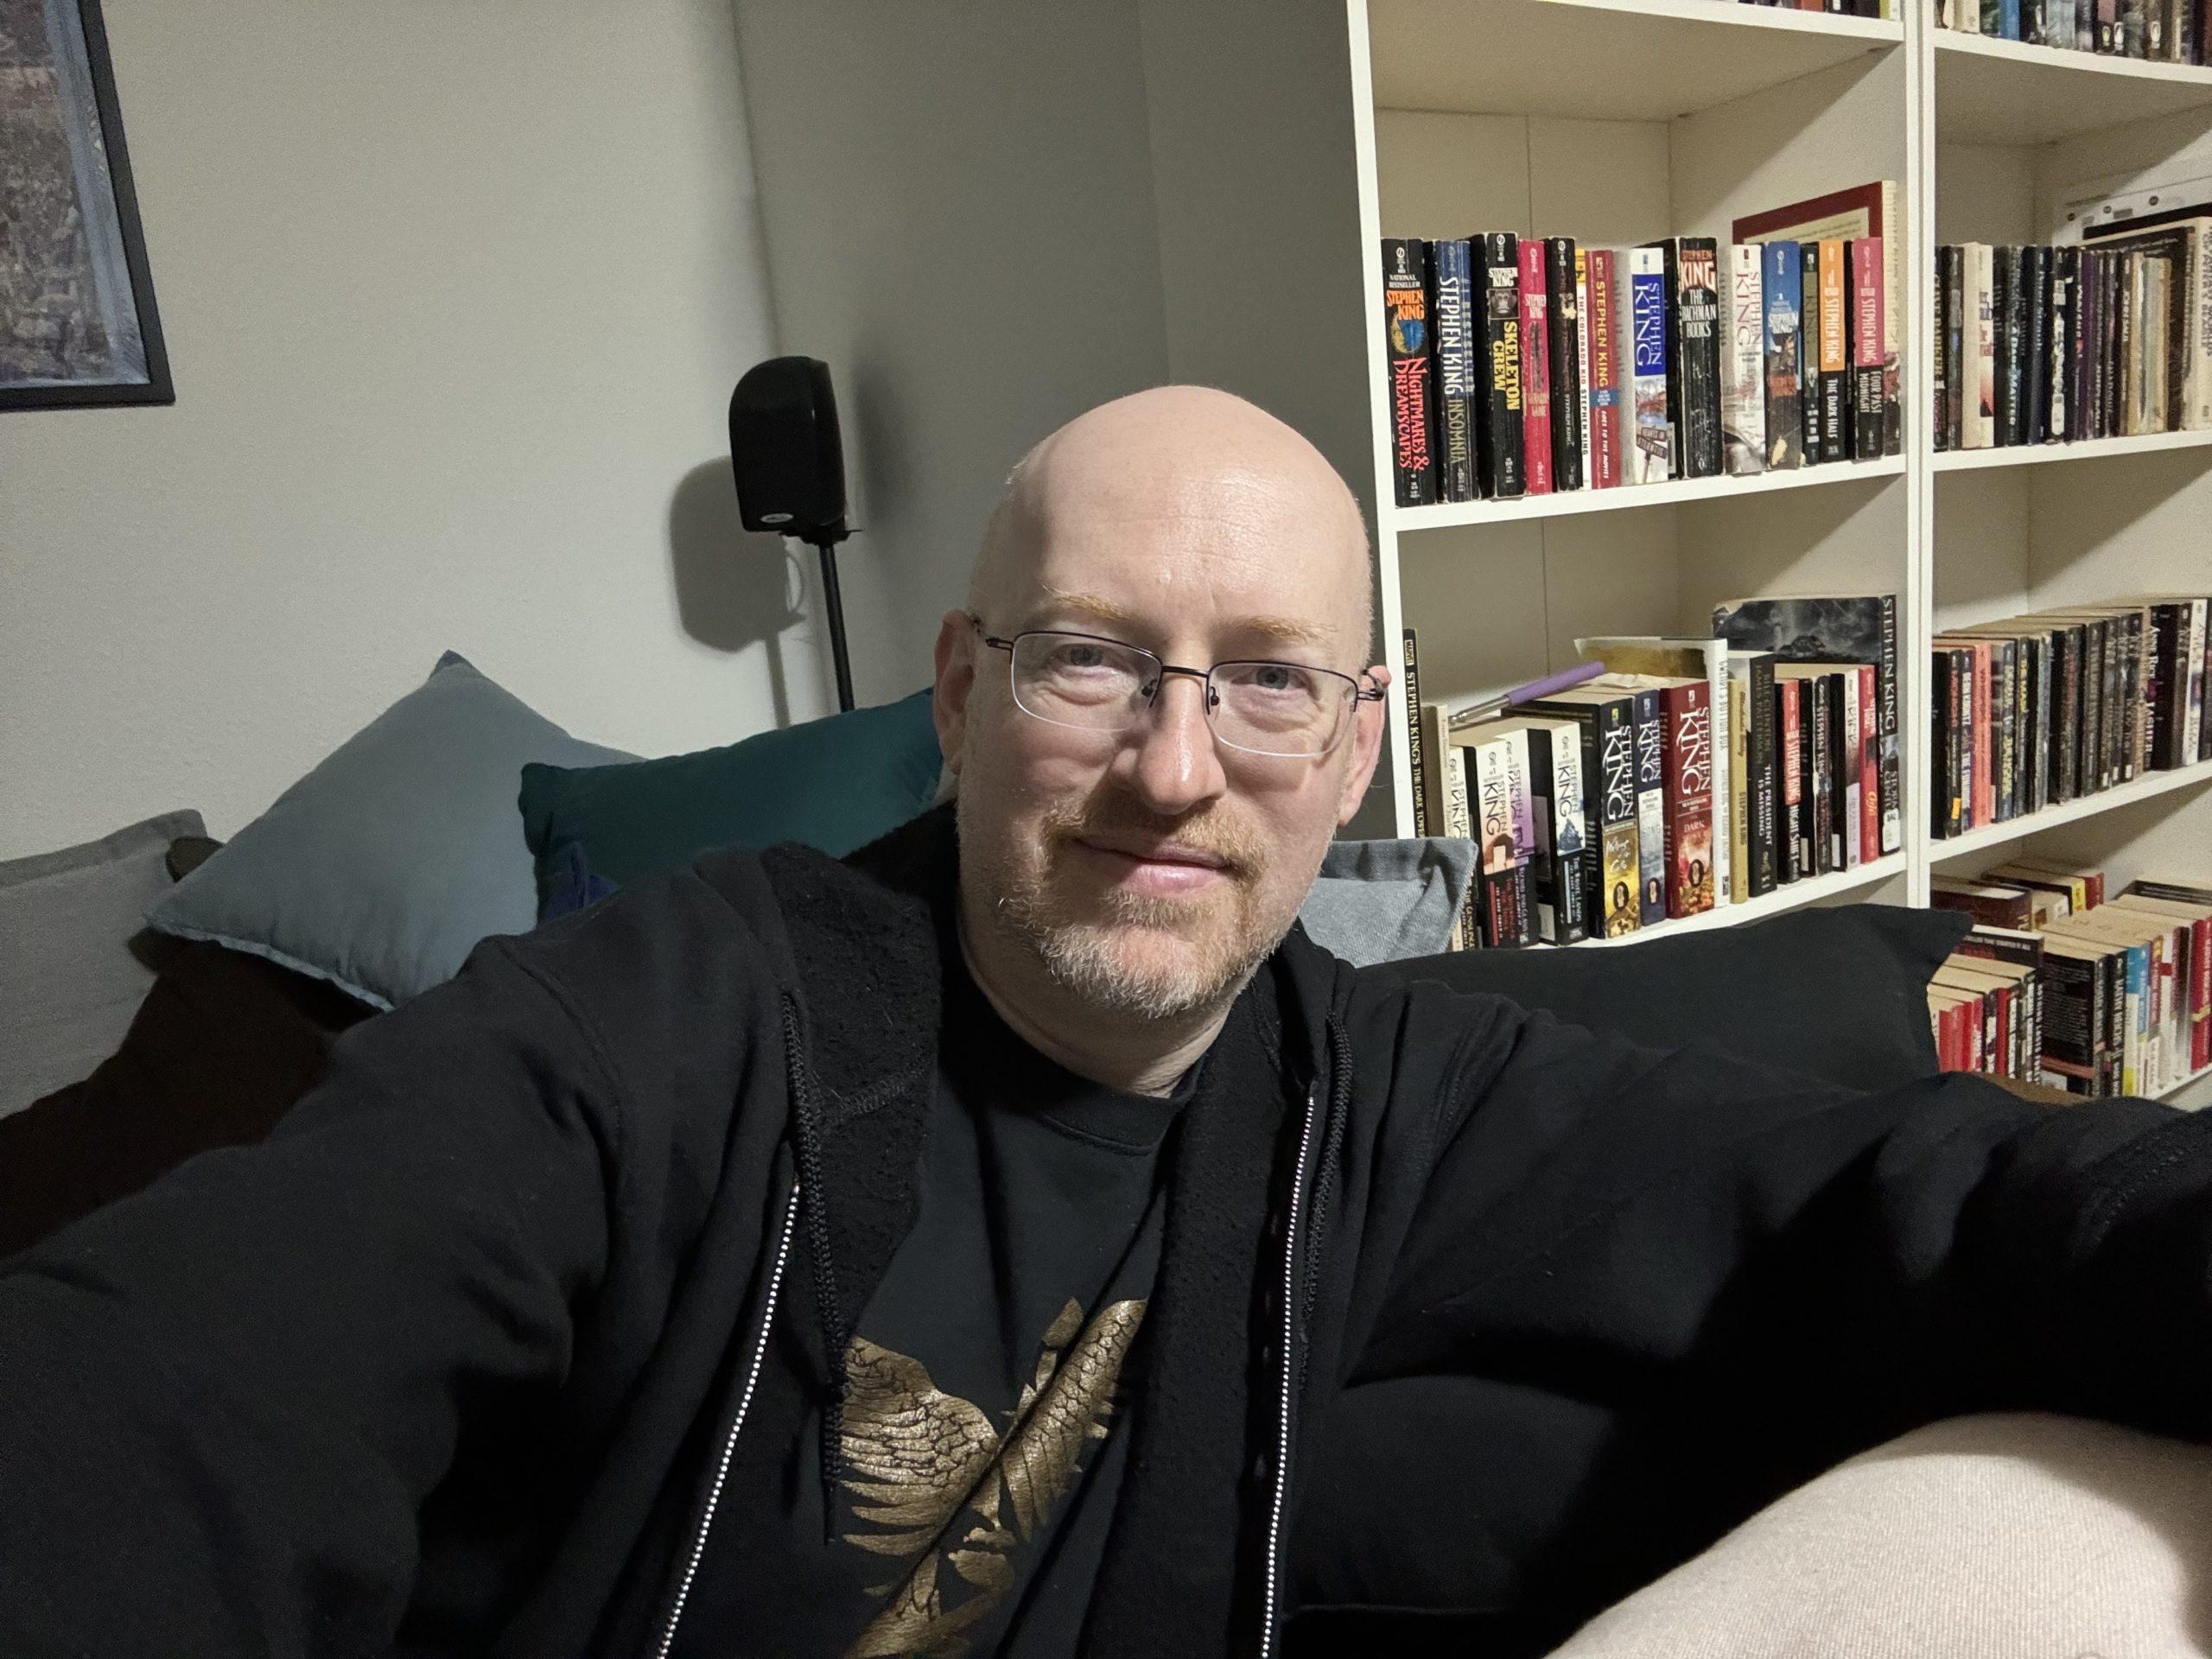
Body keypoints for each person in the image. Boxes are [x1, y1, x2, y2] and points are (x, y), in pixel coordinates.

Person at [3, 385, 2209, 1659]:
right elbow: (180, 1391)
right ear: (958, 701)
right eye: (1090, 662)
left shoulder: (1380, 1095)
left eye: (1263, 677)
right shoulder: (665, 1026)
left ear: (1353, 753)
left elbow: (1907, 1189)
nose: (1176, 765)